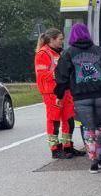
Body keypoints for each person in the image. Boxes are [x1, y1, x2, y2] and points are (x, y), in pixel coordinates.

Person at [54, 23, 101, 173]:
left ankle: (93, 162)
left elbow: (62, 76)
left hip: (81, 97)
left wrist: (59, 94)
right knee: (100, 127)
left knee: (88, 128)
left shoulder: (68, 53)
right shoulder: (100, 51)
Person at [33, 29, 81, 159]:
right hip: (51, 92)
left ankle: (67, 146)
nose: (62, 42)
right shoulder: (43, 53)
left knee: (69, 120)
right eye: (60, 39)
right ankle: (55, 149)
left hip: (65, 90)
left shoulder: (60, 53)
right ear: (52, 40)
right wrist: (61, 74)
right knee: (54, 121)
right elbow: (42, 75)